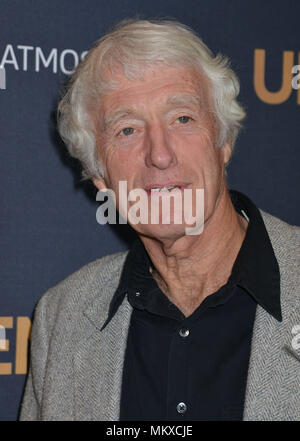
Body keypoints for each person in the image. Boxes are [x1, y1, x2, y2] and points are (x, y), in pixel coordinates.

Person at [20, 19, 299, 421]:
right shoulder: (61, 318)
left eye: (182, 119)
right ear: (100, 175)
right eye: (127, 129)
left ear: (223, 141)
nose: (160, 154)